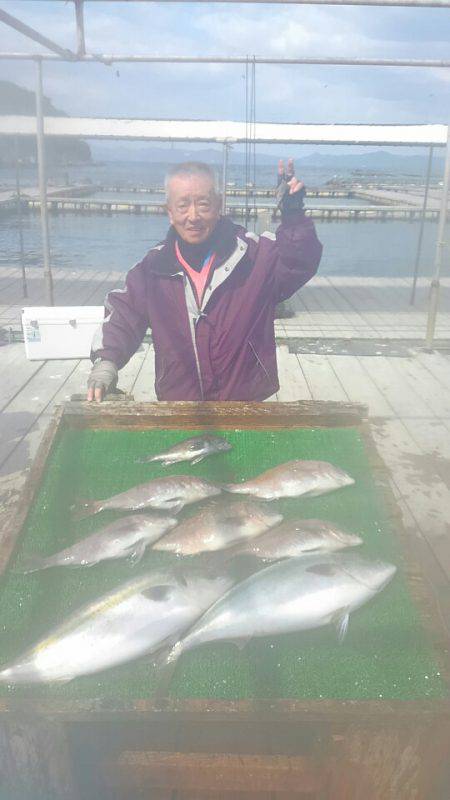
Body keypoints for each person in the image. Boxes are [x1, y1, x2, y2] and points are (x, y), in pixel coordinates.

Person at [87, 159, 322, 402]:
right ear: (169, 212)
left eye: (203, 204)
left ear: (219, 205)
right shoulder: (152, 269)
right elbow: (124, 315)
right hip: (179, 404)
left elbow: (298, 261)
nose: (193, 216)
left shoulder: (254, 255)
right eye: (183, 205)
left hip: (246, 406)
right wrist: (106, 362)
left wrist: (293, 214)